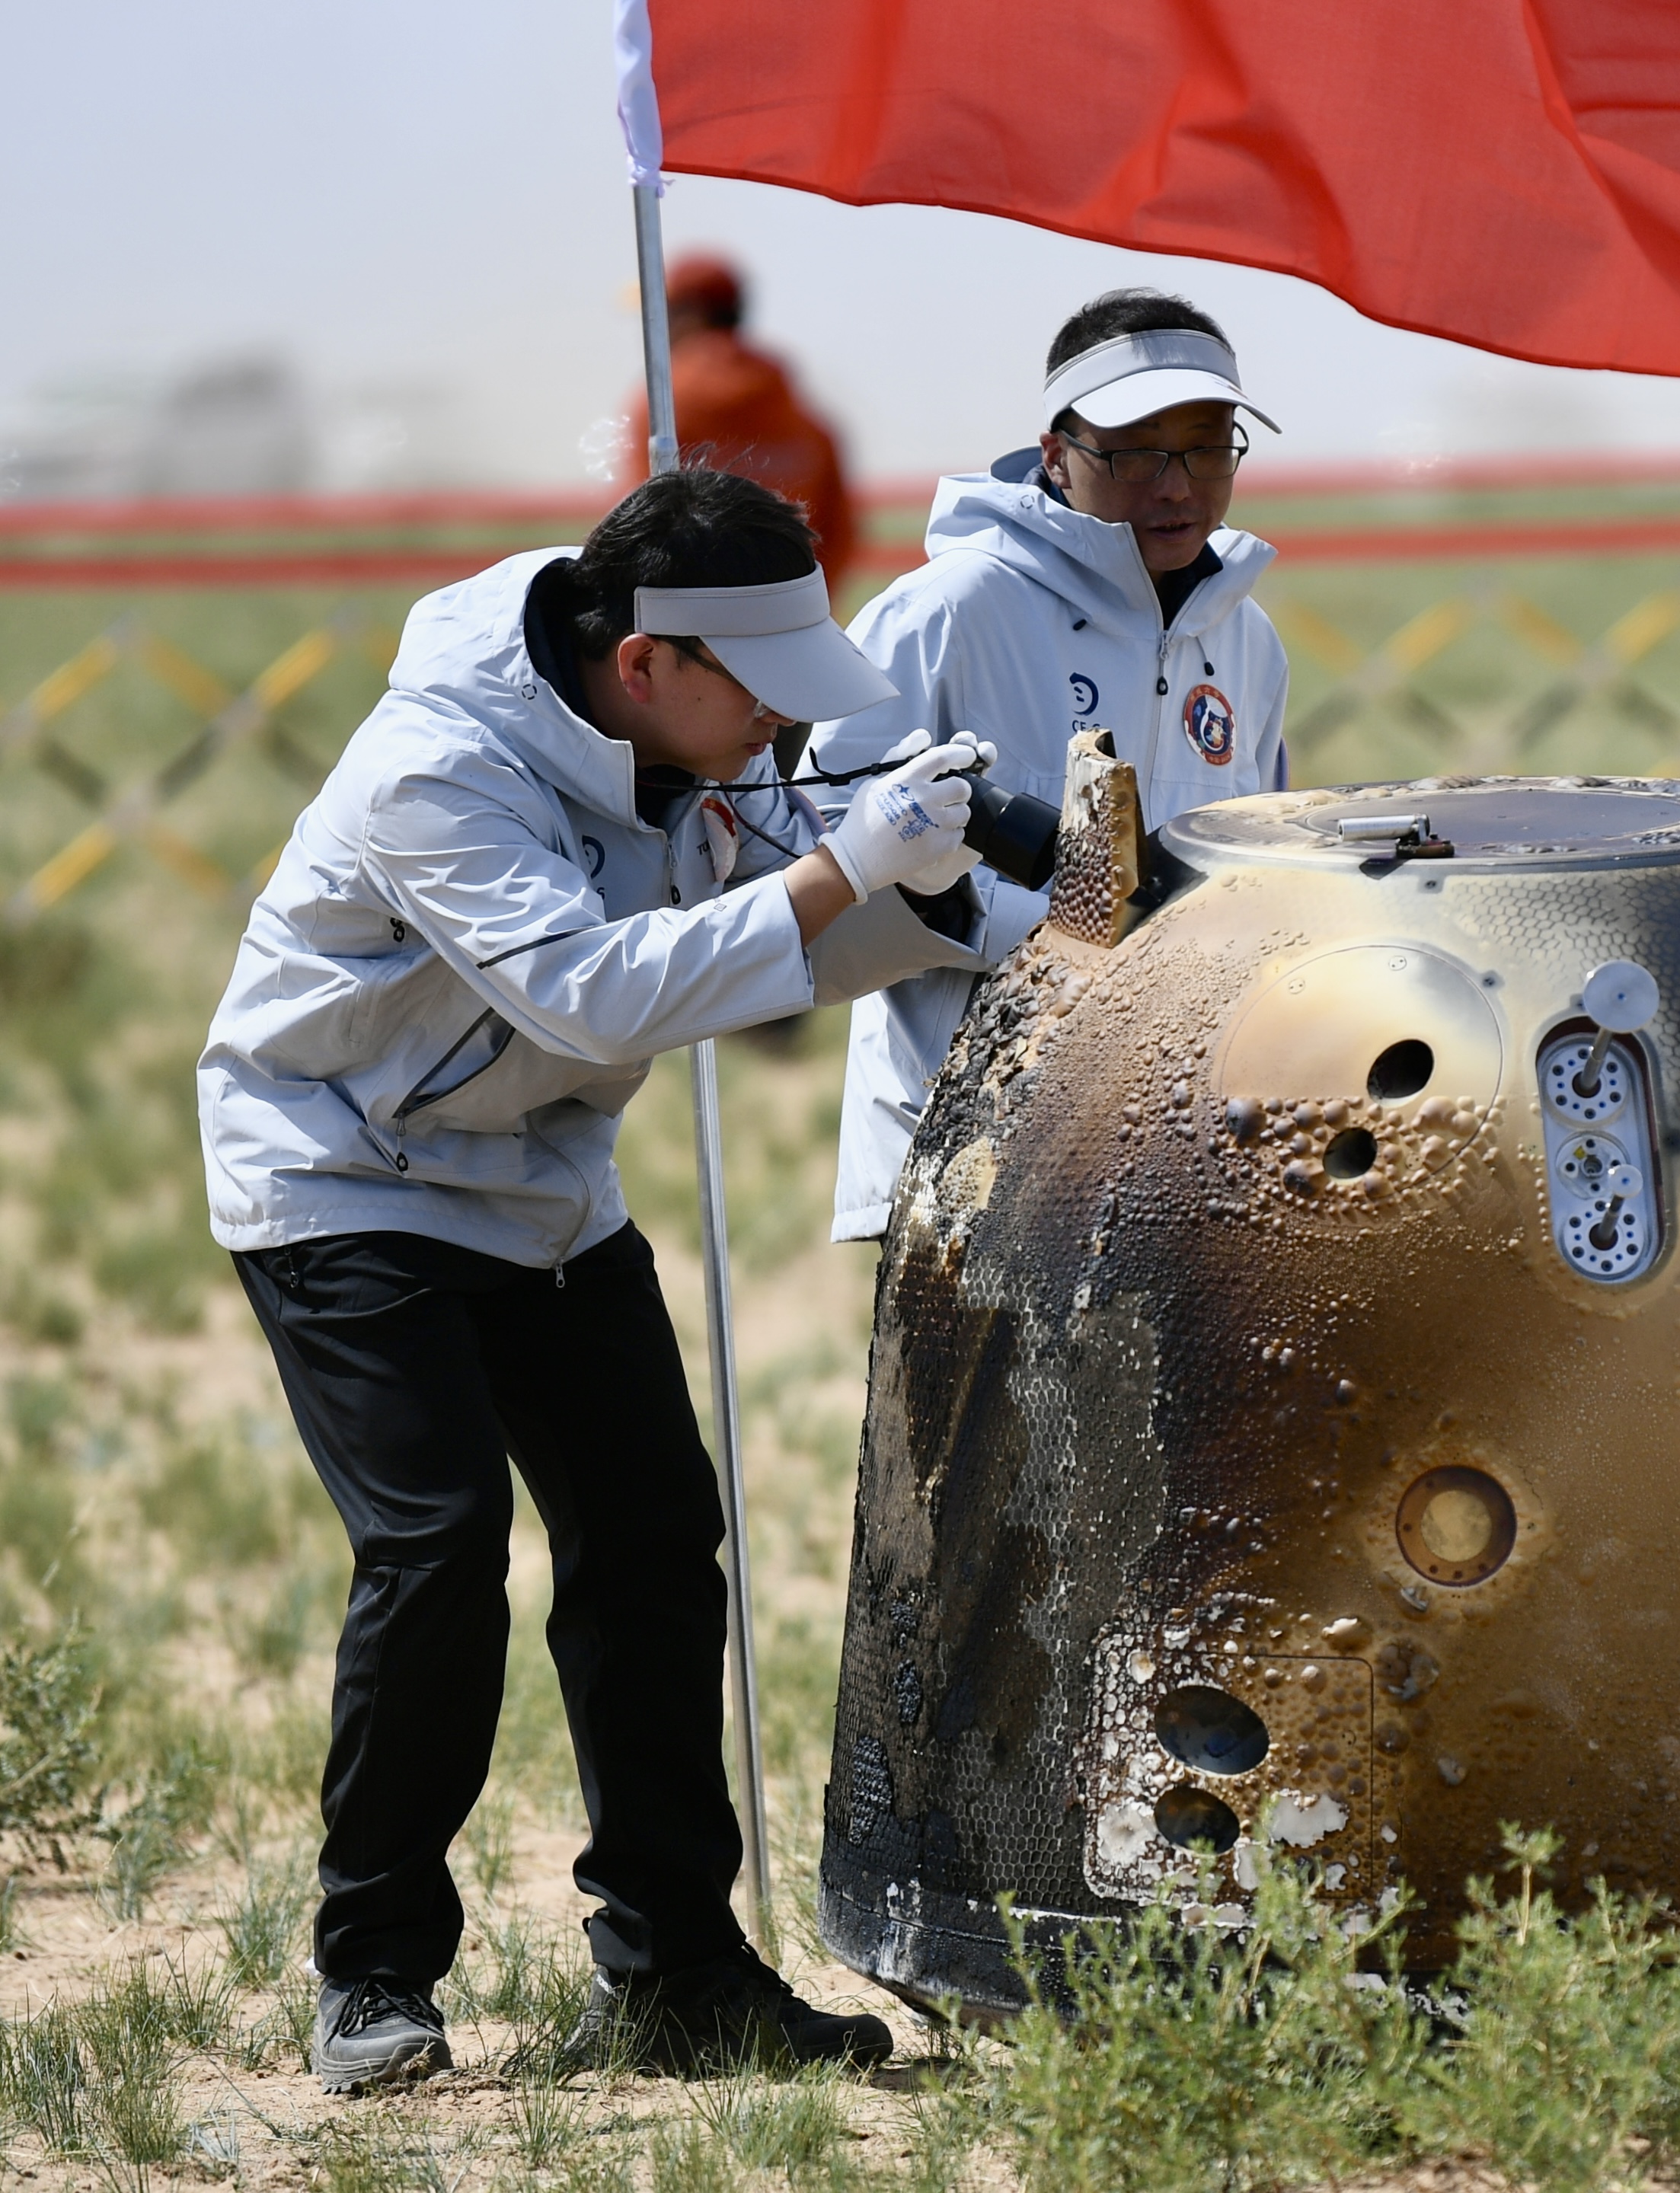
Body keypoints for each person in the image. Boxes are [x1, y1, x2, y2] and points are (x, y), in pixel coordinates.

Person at [200, 468, 992, 2092]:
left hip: (541, 1188)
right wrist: (842, 868)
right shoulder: (440, 768)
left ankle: (680, 1973)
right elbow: (591, 998)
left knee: (653, 1547)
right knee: (435, 1549)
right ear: (646, 667)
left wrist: (971, 912)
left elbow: (773, 949)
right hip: (342, 1177)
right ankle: (374, 1976)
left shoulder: (689, 745)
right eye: (765, 691)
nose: (787, 728)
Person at [804, 289, 1290, 1245]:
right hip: (970, 1141)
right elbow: (815, 851)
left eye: (1203, 448)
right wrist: (1063, 931)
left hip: (1175, 1134)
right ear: (1058, 452)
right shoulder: (949, 610)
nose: (1176, 486)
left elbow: (1260, 863)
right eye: (1138, 452)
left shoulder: (1247, 639)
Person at [628, 255, 859, 602]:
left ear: (689, 315)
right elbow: (841, 532)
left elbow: (639, 528)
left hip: (691, 623)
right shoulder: (792, 402)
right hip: (793, 612)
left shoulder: (662, 405)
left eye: (661, 314)